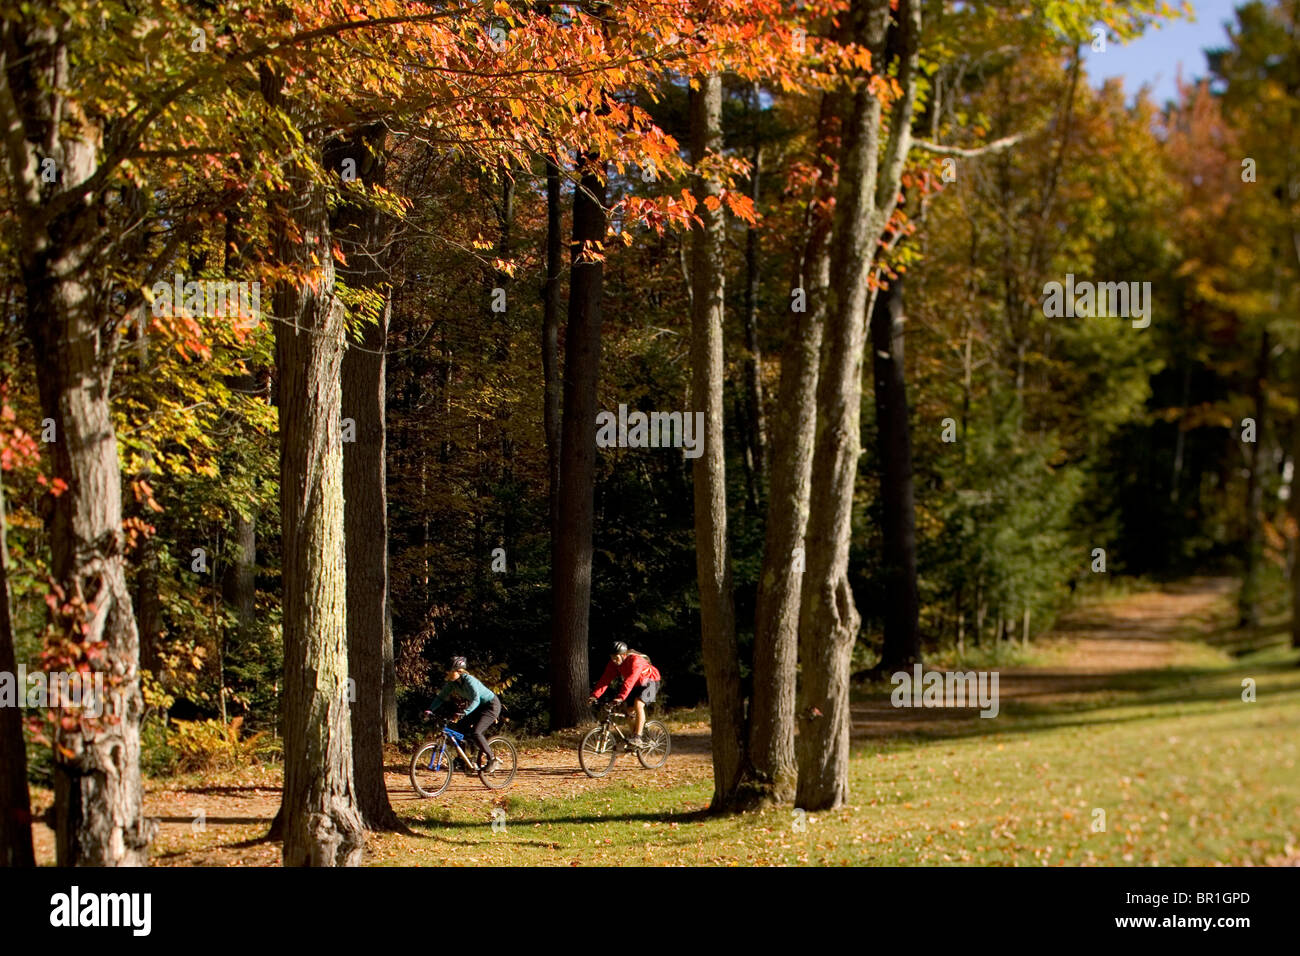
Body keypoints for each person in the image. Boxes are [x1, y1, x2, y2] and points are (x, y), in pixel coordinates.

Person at [423, 657, 502, 772]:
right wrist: (430, 709)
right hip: (478, 707)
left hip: (491, 705)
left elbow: (476, 700)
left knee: (476, 731)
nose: (448, 673)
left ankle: (492, 759)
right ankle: (463, 759)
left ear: (459, 671)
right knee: (460, 729)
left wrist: (464, 712)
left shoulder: (469, 680)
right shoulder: (452, 684)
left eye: (450, 671)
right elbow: (440, 698)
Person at [588, 641, 660, 747]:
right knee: (629, 711)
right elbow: (605, 680)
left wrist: (621, 697)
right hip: (636, 684)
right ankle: (634, 738)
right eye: (612, 657)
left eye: (616, 657)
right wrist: (594, 696)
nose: (614, 660)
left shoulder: (636, 661)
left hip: (650, 681)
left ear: (623, 655)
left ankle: (638, 737)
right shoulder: (613, 664)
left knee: (638, 704)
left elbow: (631, 679)